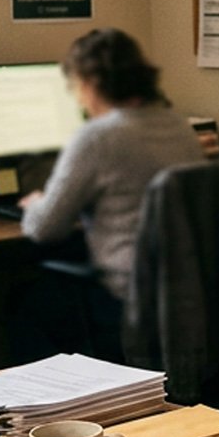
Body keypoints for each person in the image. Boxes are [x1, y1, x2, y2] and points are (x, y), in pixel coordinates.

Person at [15, 29, 203, 360]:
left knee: (24, 302)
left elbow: (45, 228)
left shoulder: (98, 137)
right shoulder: (178, 126)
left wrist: (35, 205)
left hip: (125, 295)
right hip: (185, 291)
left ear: (90, 83)